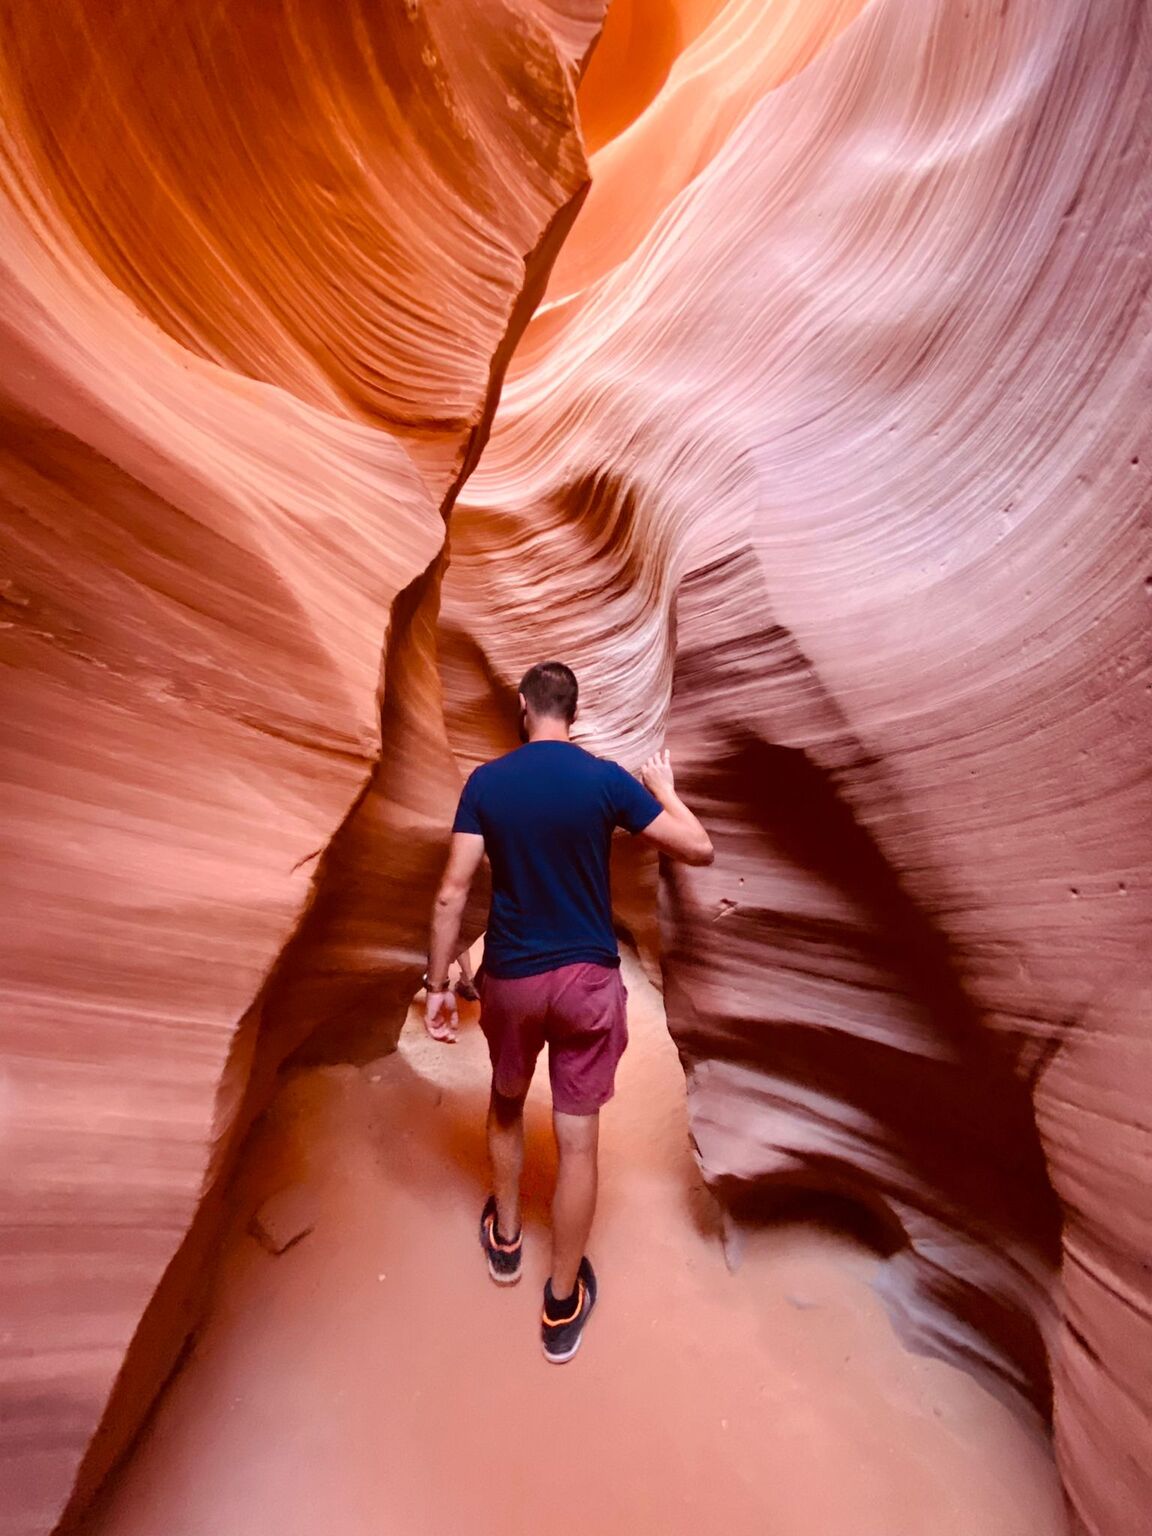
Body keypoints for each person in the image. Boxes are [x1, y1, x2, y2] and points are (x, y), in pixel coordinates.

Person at [422, 661, 713, 1362]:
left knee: (505, 1103)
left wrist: (438, 984)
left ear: (525, 708)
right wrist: (666, 794)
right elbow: (698, 848)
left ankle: (507, 1243)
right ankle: (559, 1305)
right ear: (573, 715)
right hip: (586, 979)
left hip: (514, 978)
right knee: (579, 1143)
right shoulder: (606, 780)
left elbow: (450, 894)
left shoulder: (487, 783)